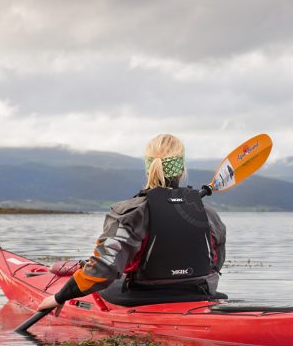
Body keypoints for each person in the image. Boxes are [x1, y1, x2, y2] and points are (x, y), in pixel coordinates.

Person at [37, 134, 226, 312]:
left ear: (148, 167)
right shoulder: (208, 215)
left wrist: (59, 297)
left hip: (141, 296)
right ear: (182, 169)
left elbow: (103, 271)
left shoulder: (130, 213)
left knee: (106, 281)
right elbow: (216, 265)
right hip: (197, 293)